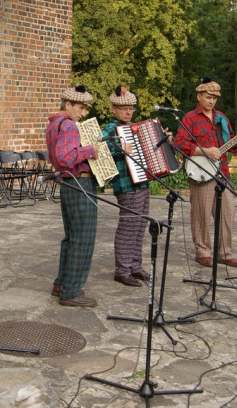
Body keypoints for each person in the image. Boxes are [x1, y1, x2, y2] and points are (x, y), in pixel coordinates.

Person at [173, 78, 237, 268]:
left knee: (226, 213)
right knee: (201, 214)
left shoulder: (222, 118)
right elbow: (179, 144)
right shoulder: (190, 118)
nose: (212, 101)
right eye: (208, 97)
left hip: (222, 172)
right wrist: (205, 150)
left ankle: (224, 252)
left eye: (215, 98)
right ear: (199, 96)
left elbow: (231, 147)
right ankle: (203, 251)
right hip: (200, 173)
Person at [45, 84, 99, 308]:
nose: (84, 113)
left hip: (69, 183)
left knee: (71, 237)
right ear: (68, 105)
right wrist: (90, 150)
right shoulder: (69, 126)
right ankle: (71, 291)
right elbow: (64, 157)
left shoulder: (54, 123)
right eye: (82, 107)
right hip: (80, 182)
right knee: (83, 239)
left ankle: (62, 283)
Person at [101, 86, 151, 287]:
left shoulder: (136, 128)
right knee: (128, 226)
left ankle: (135, 266)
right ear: (113, 109)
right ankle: (122, 270)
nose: (128, 112)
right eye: (123, 108)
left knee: (141, 224)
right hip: (125, 184)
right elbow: (102, 153)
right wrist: (119, 150)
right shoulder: (109, 130)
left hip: (142, 181)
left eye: (131, 108)